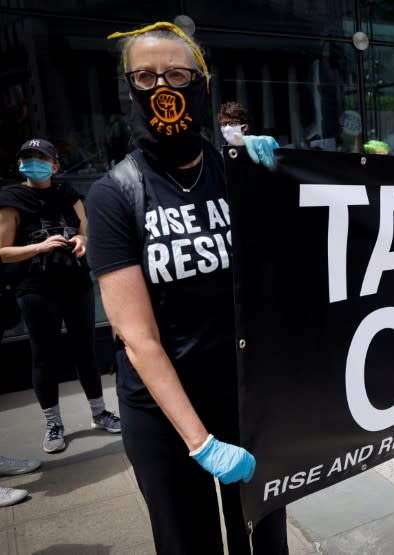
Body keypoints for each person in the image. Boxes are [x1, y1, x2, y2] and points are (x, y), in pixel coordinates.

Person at [86, 22, 286, 553]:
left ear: (201, 82)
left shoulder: (238, 173)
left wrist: (285, 175)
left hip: (245, 399)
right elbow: (138, 338)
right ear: (129, 89)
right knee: (189, 543)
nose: (163, 88)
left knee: (265, 543)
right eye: (146, 77)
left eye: (177, 74)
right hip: (164, 415)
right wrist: (201, 443)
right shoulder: (114, 195)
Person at [0, 138, 121, 455]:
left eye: (40, 158)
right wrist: (38, 247)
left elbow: (85, 228)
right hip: (36, 290)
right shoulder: (12, 198)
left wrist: (82, 239)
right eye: (27, 158)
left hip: (76, 283)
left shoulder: (67, 193)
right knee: (44, 357)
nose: (32, 163)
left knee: (86, 351)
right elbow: (2, 252)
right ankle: (54, 424)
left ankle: (99, 413)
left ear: (55, 165)